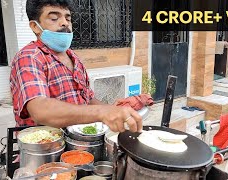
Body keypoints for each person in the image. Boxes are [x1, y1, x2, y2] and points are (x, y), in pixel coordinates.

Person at [9, 0, 142, 133]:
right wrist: (101, 112)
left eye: (68, 18)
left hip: (79, 142)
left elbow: (88, 99)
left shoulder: (73, 57)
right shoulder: (30, 57)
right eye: (54, 18)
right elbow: (40, 111)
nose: (64, 23)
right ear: (35, 26)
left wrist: (115, 111)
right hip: (47, 147)